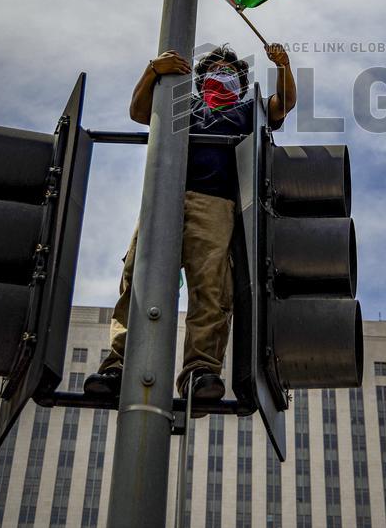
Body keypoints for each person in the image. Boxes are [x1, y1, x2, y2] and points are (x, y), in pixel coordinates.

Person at [84, 42, 296, 409]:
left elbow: (283, 105)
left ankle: (200, 372)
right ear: (199, 80)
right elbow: (139, 111)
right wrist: (154, 70)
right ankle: (119, 366)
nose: (220, 75)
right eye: (214, 69)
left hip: (215, 204)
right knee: (138, 280)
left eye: (229, 72)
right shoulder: (183, 104)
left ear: (241, 84)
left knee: (211, 288)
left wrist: (284, 66)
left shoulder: (248, 112)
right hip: (164, 198)